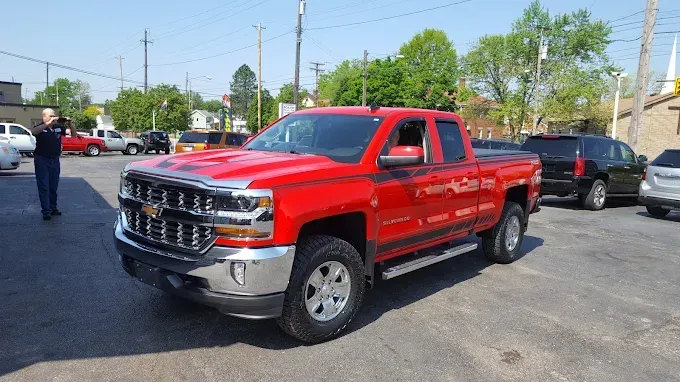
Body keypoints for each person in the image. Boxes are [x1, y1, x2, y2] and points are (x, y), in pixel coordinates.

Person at [27, 109, 80, 220]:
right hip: (42, 159)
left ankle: (53, 208)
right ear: (44, 116)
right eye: (51, 116)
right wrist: (48, 124)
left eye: (54, 116)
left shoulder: (58, 128)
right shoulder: (41, 126)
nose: (54, 118)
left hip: (54, 160)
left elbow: (74, 135)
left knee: (53, 186)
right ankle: (46, 211)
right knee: (44, 186)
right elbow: (33, 132)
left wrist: (70, 124)